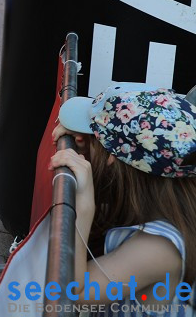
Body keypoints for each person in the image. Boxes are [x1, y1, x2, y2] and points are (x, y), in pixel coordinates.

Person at [52, 86, 196, 314]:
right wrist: (84, 144)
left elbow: (73, 293)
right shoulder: (160, 210)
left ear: (114, 159)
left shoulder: (160, 248)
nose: (80, 139)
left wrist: (84, 205)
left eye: (92, 137)